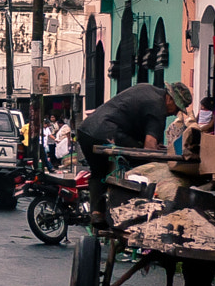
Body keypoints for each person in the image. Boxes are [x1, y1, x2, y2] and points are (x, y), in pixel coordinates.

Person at [75, 80, 193, 231]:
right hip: (108, 133)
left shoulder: (146, 88)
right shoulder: (159, 108)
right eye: (176, 107)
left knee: (98, 172)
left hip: (87, 130)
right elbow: (148, 148)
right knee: (140, 166)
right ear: (169, 98)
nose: (174, 112)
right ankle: (131, 210)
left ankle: (97, 212)